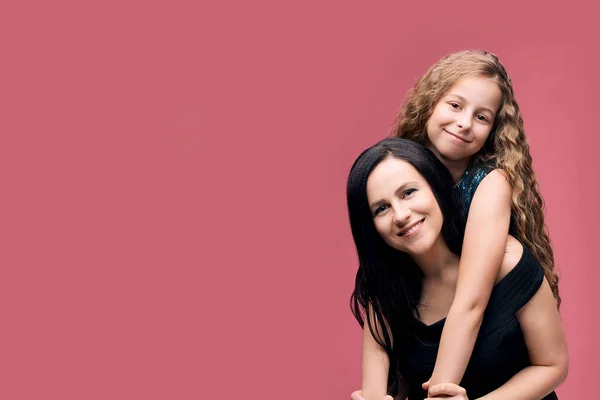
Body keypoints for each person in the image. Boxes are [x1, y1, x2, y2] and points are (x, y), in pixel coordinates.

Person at [390, 50, 561, 393]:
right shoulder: (395, 171)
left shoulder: (489, 184)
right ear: (430, 104)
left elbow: (470, 304)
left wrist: (439, 390)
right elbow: (381, 281)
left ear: (492, 130)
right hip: (428, 339)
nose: (465, 122)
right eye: (455, 105)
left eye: (481, 117)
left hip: (490, 349)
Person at [347, 138, 567, 400]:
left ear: (435, 186)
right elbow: (389, 388)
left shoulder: (506, 262)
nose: (401, 214)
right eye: (381, 208)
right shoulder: (384, 293)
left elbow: (552, 365)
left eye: (408, 192)